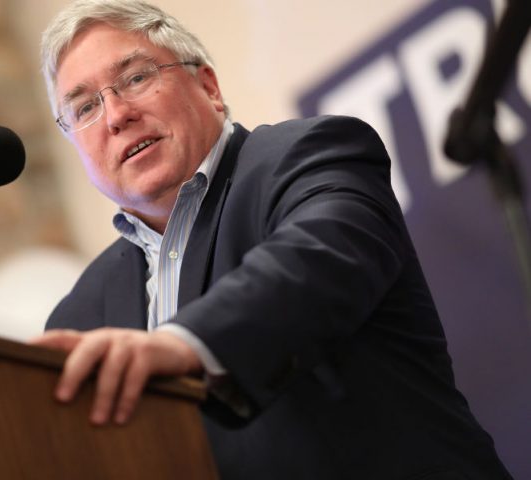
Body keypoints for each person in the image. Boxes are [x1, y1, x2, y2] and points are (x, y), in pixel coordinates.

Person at [30, 1, 512, 478]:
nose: (116, 115)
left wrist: (186, 345)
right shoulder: (80, 316)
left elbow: (319, 259)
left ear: (208, 86)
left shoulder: (313, 155)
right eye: (85, 106)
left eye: (135, 78)